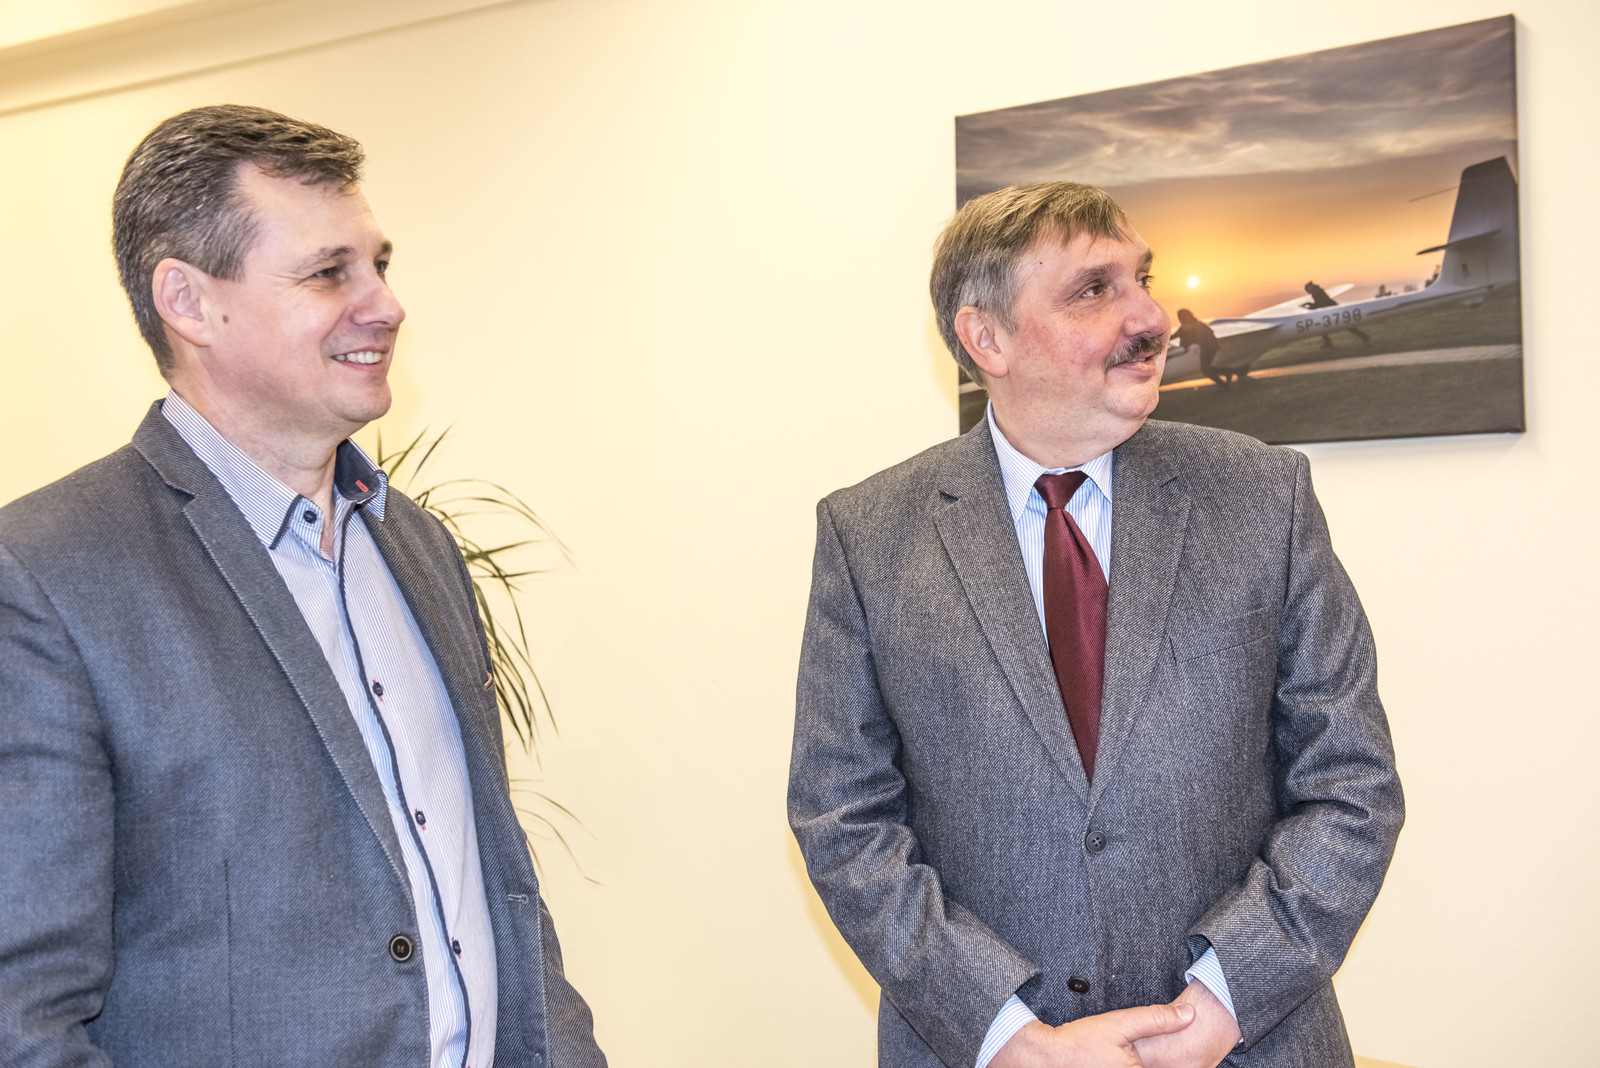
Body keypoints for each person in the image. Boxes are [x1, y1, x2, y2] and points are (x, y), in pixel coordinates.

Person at [0, 105, 605, 1067]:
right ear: (188, 302)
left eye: (379, 264)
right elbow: (21, 1016)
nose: (385, 305)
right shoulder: (45, 577)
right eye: (329, 273)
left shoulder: (420, 548)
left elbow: (499, 897)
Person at [789, 182, 1402, 1068]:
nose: (1149, 317)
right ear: (986, 338)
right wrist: (1010, 1038)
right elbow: (842, 820)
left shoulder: (1264, 498)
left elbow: (1351, 782)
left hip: (1250, 1043)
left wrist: (1222, 1003)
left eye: (1141, 279)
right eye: (1092, 290)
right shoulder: (869, 536)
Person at [1171, 308, 1229, 386]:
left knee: (1205, 370)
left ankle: (1224, 382)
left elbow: (1208, 335)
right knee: (1206, 369)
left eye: (1180, 316)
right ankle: (1228, 372)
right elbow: (1173, 336)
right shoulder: (1184, 327)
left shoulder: (1197, 325)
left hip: (1209, 347)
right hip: (1205, 348)